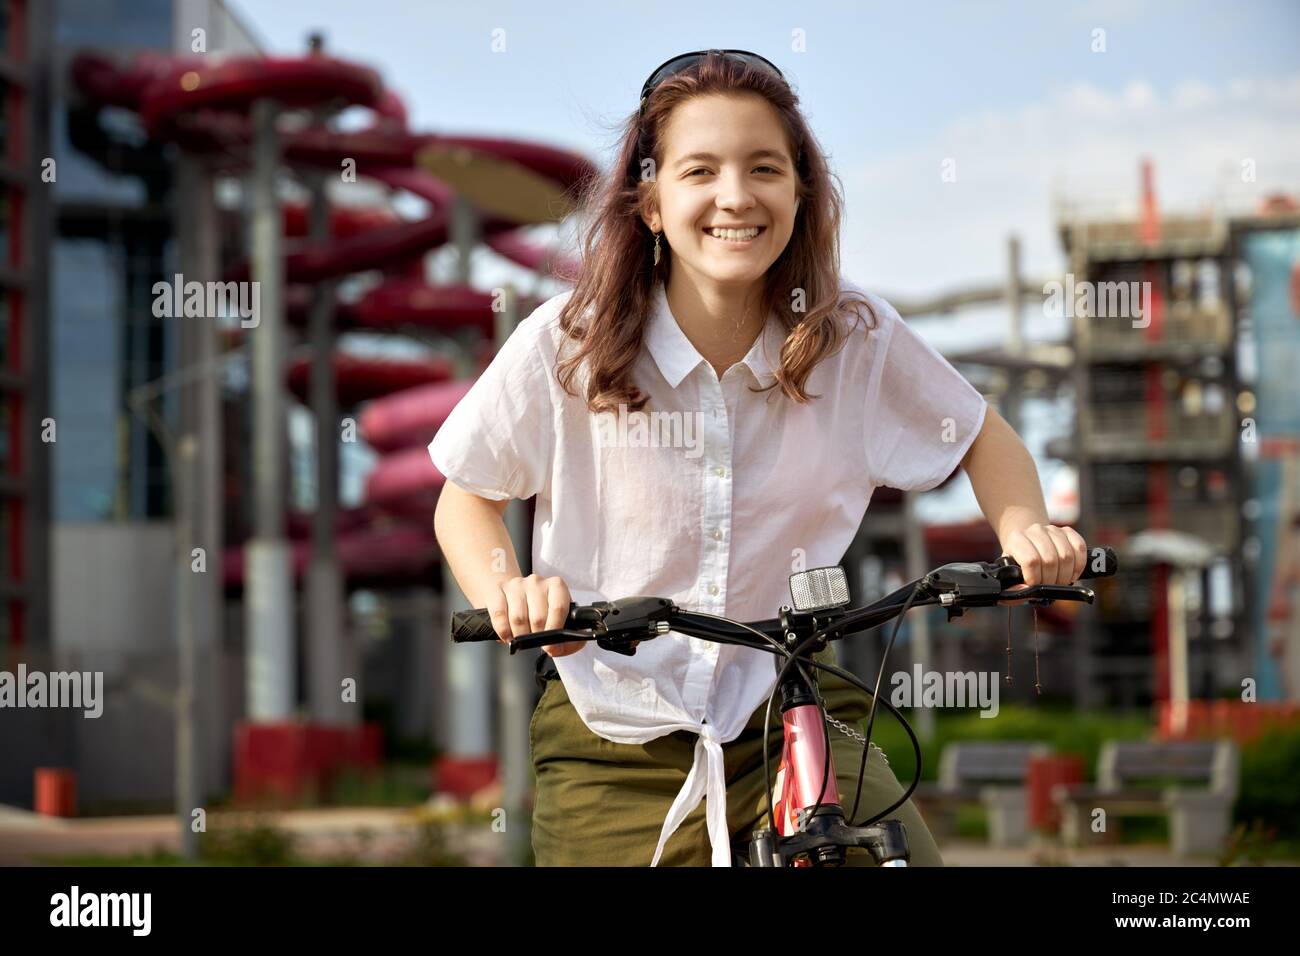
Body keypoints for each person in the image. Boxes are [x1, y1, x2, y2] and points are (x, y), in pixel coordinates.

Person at [430, 50, 1088, 867]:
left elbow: (982, 434)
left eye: (765, 168)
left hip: (788, 703)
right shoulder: (568, 342)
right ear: (651, 202)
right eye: (699, 169)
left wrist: (1025, 529)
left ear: (801, 192)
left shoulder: (854, 337)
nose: (735, 196)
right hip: (614, 728)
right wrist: (509, 591)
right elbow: (466, 497)